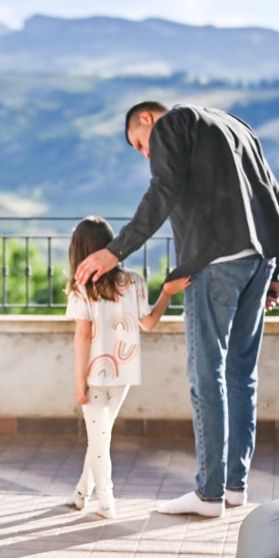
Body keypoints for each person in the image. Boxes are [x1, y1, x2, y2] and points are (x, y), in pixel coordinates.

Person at [72, 101, 279, 518]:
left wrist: (115, 251)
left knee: (206, 373)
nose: (146, 154)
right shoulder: (236, 125)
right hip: (260, 262)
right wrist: (277, 269)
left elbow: (163, 190)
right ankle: (233, 488)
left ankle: (208, 494)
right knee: (242, 374)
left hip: (215, 262)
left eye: (140, 145)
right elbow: (278, 201)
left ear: (147, 120)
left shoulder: (173, 123)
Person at [65, 216, 190, 519]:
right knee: (101, 436)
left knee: (99, 438)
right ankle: (82, 492)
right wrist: (167, 294)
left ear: (80, 251)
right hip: (123, 373)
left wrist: (78, 380)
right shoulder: (134, 282)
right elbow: (148, 323)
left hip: (95, 374)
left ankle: (106, 501)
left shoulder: (81, 287)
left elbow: (82, 336)